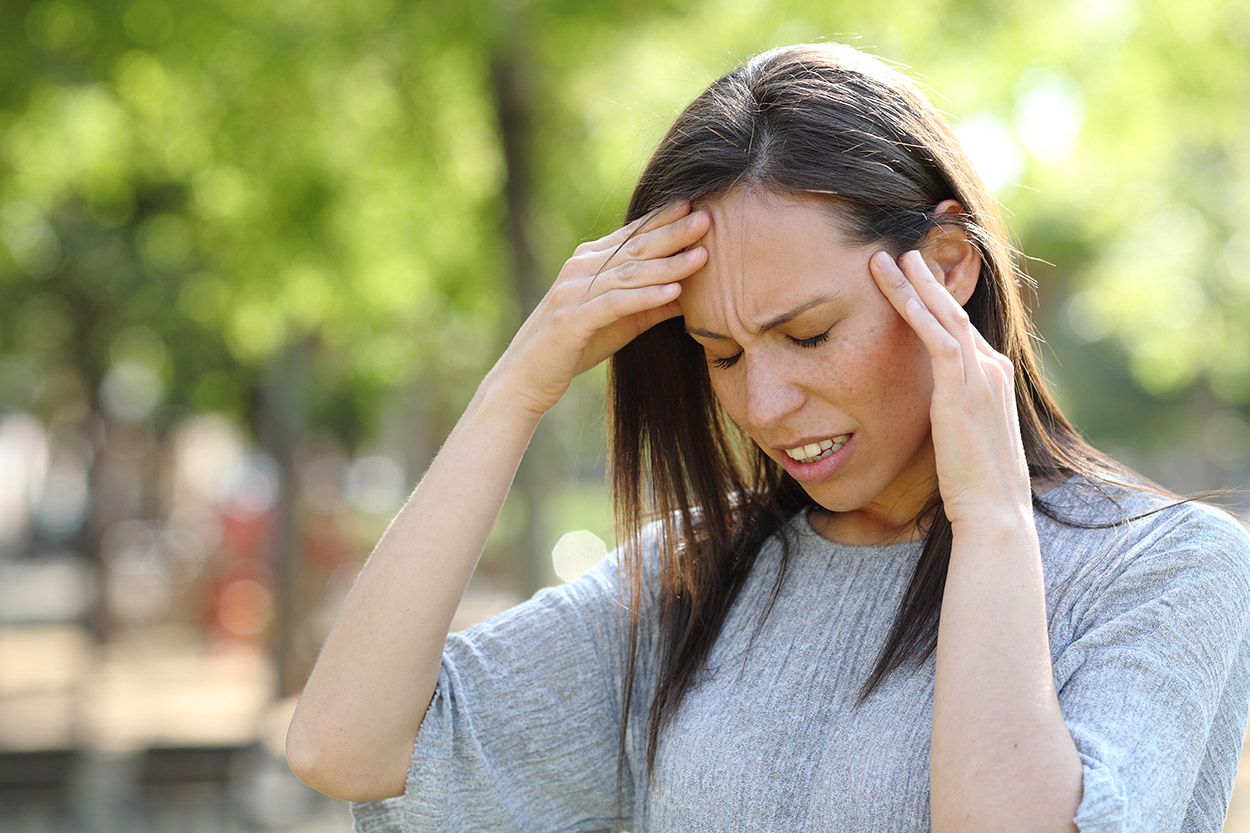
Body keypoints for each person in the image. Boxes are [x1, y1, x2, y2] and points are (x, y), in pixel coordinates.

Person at [285, 42, 1250, 832]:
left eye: (807, 334)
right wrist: (517, 387)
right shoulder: (695, 577)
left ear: (947, 268)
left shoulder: (1167, 573)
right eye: (722, 352)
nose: (766, 402)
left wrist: (991, 518)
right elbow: (347, 748)